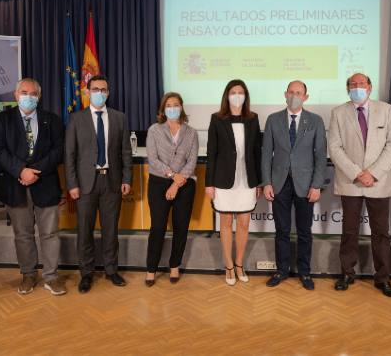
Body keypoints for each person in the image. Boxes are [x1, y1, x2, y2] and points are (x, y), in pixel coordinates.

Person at [0, 78, 66, 296]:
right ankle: (29, 274)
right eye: (24, 92)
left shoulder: (51, 120)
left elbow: (58, 150)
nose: (29, 97)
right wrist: (21, 170)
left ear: (39, 97)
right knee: (23, 235)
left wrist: (35, 171)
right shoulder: (3, 120)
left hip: (46, 184)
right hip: (15, 185)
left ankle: (51, 277)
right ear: (16, 95)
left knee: (50, 234)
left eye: (33, 94)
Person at [328, 73, 391, 297]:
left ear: (370, 87)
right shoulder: (338, 113)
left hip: (379, 182)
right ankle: (347, 273)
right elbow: (335, 148)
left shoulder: (386, 110)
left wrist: (374, 173)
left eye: (361, 84)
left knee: (381, 233)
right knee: (349, 231)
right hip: (351, 181)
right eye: (353, 84)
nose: (357, 87)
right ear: (347, 88)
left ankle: (383, 278)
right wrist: (357, 173)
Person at [65, 75, 133, 293]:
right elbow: (70, 155)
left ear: (108, 92)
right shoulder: (76, 119)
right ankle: (86, 274)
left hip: (111, 182)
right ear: (87, 91)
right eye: (95, 89)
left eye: (103, 89)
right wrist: (72, 184)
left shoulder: (119, 118)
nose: (99, 93)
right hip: (85, 184)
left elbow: (125, 152)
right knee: (84, 231)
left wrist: (127, 178)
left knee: (110, 231)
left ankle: (111, 270)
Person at [261, 80, 327, 290]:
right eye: (291, 92)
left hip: (306, 184)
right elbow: (265, 155)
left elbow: (320, 156)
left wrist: (317, 185)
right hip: (279, 183)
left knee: (304, 231)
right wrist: (267, 183)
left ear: (306, 97)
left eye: (299, 92)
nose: (295, 95)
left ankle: (305, 273)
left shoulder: (315, 121)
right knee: (281, 230)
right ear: (285, 94)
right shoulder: (273, 120)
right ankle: (281, 270)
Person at [206, 79, 262, 286]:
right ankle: (228, 266)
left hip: (247, 179)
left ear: (246, 96)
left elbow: (257, 152)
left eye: (241, 92)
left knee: (245, 223)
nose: (237, 95)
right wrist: (209, 183)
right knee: (227, 223)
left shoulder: (253, 118)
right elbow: (211, 153)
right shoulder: (217, 118)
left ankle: (239, 264)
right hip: (223, 180)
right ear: (227, 95)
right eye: (233, 92)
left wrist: (259, 182)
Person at [144, 92, 198, 286]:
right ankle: (151, 269)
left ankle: (174, 265)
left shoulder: (191, 132)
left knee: (181, 228)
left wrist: (176, 182)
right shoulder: (154, 130)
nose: (173, 108)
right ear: (163, 109)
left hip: (184, 184)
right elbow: (153, 159)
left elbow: (192, 161)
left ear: (181, 107)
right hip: (159, 182)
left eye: (176, 104)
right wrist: (171, 176)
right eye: (169, 105)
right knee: (157, 227)